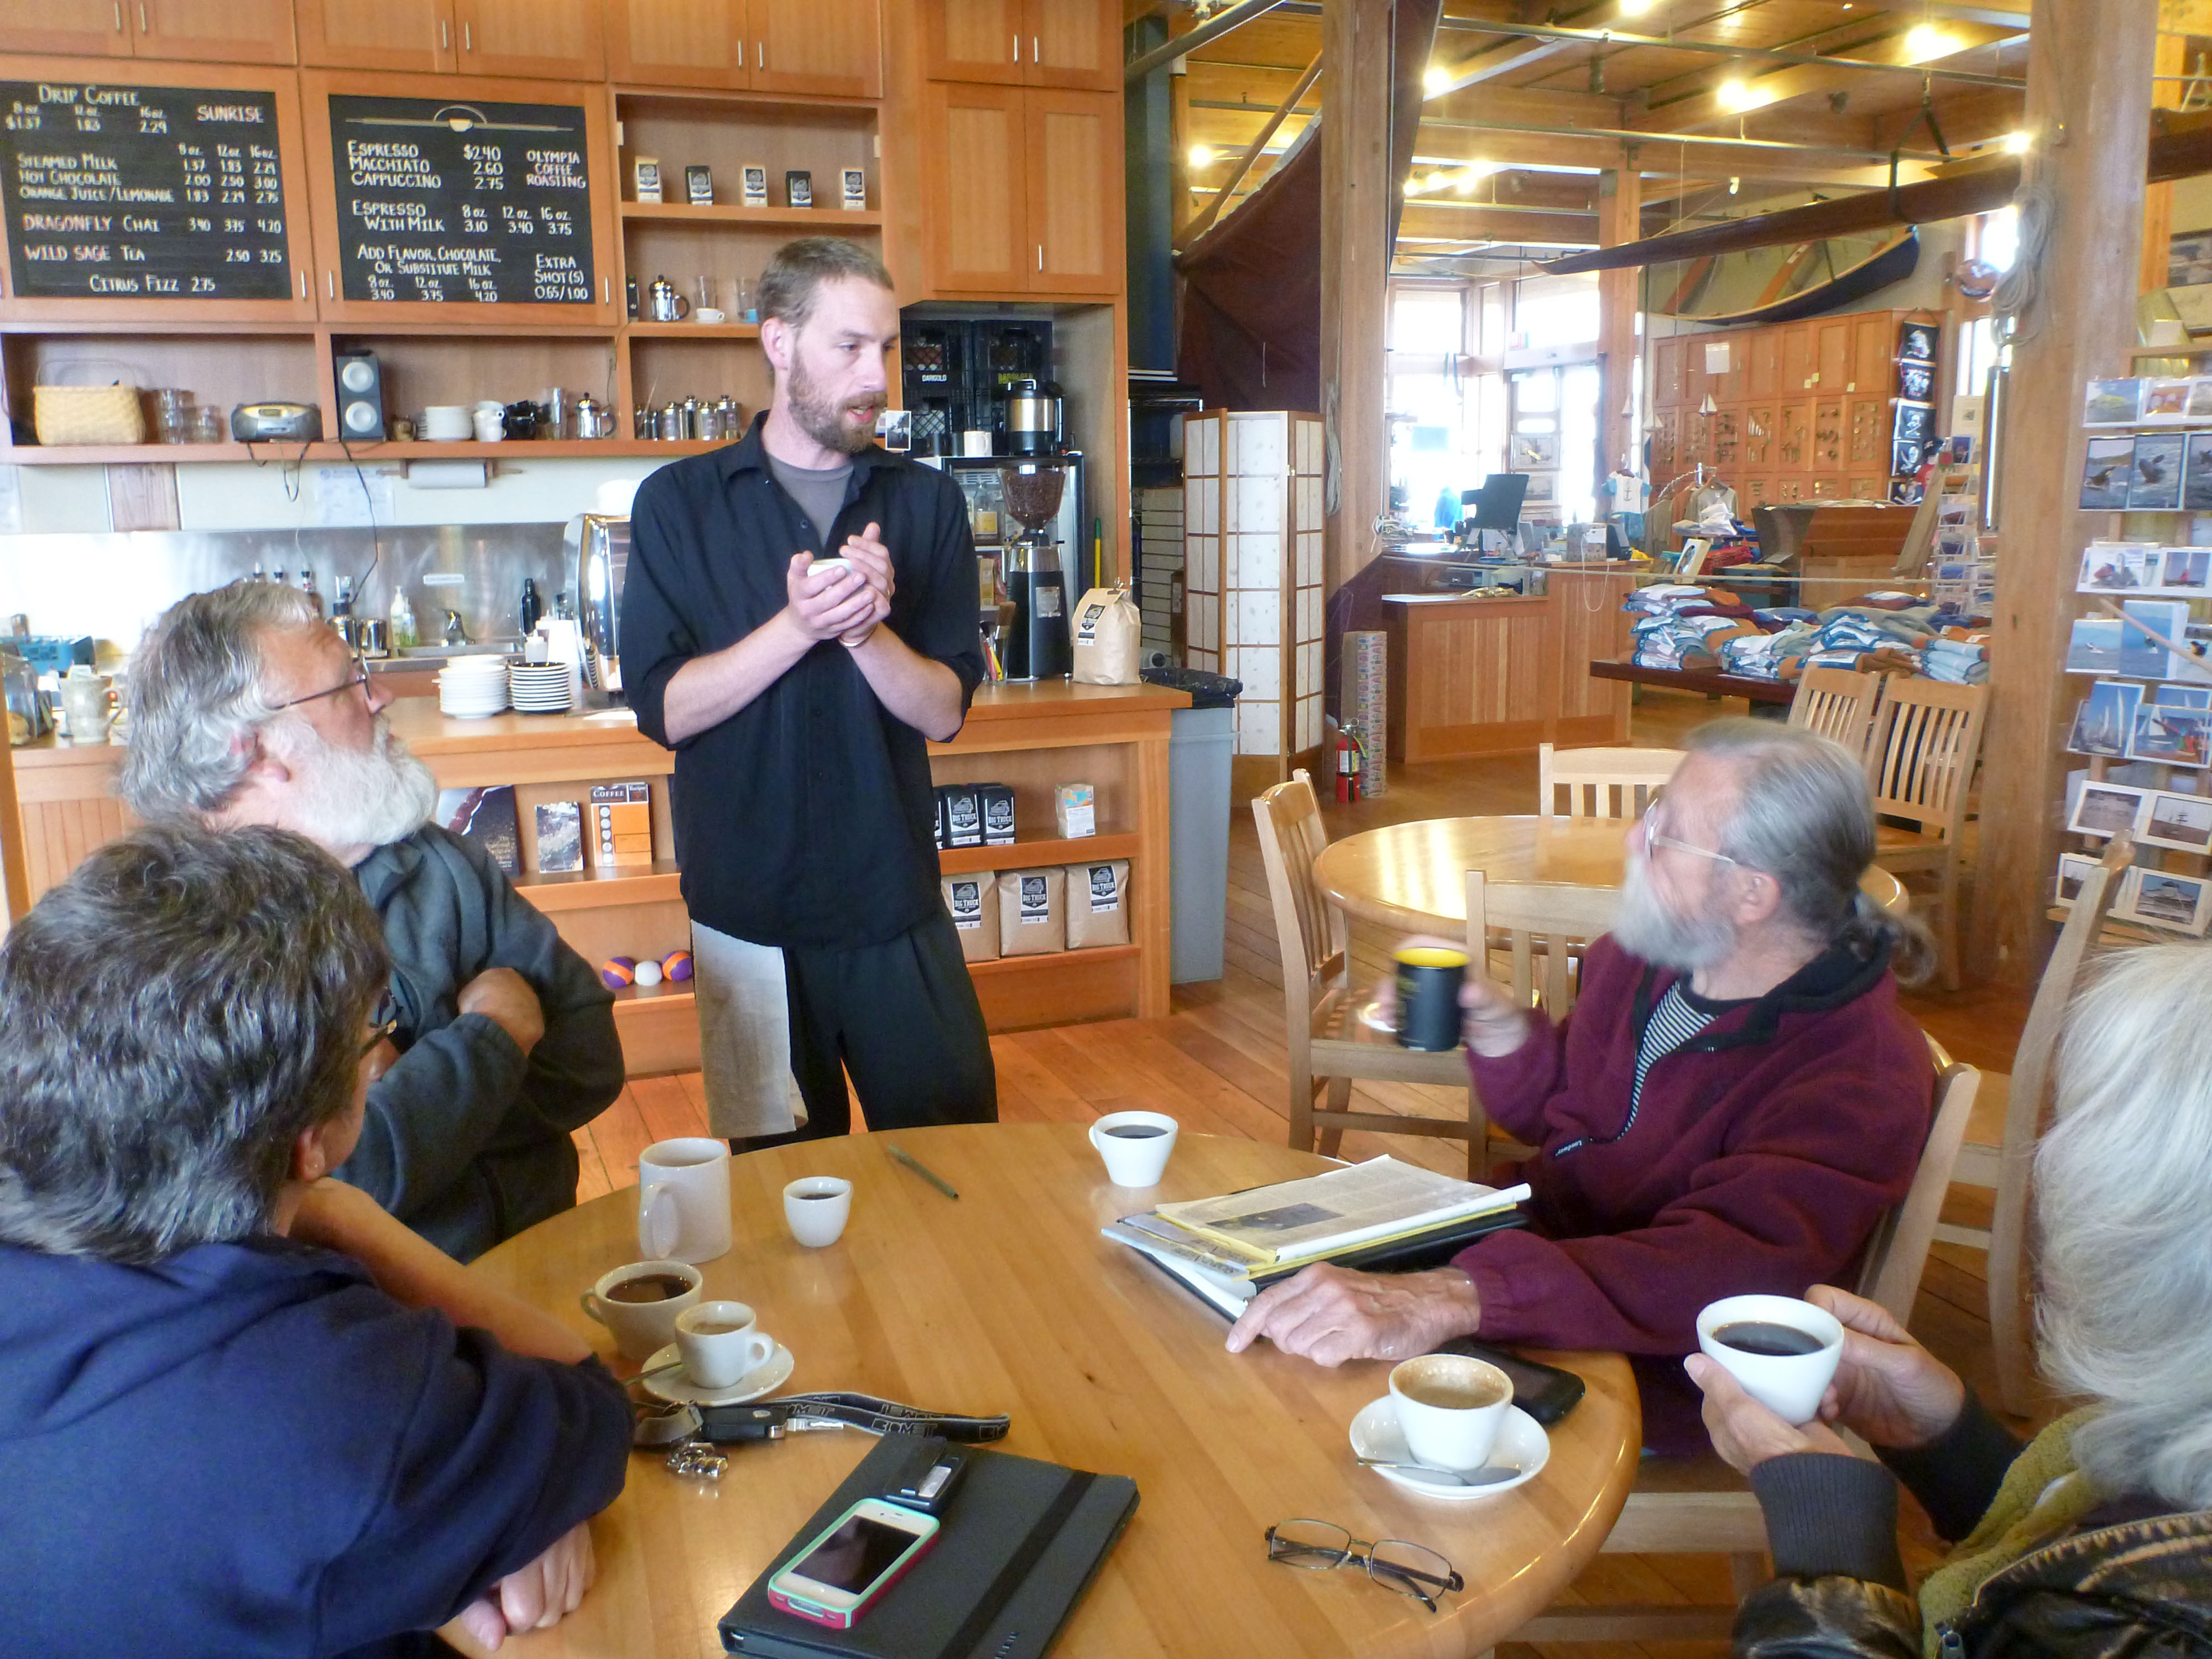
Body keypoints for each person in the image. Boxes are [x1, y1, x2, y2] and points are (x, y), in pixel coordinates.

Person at [0, 824, 631, 1657]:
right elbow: (585, 1411)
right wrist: (343, 1213)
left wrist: (431, 1552)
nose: (380, 1060)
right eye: (373, 1037)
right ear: (313, 1139)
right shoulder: (337, 1393)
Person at [1225, 719, 1937, 1450]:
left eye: (1666, 832)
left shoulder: (1858, 1075)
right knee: (1257, 1300)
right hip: (1536, 1263)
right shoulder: (1649, 956)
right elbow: (1568, 1114)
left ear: (1753, 893)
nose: (1636, 840)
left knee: (1316, 1403)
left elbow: (1718, 1271)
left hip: (1662, 1363)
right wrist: (1503, 1031)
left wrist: (1456, 1294)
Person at [1687, 942, 2212, 1659]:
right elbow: (2086, 1549)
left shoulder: (2150, 1630)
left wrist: (1829, 1536)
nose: (2051, 1162)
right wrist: (1949, 1441)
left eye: (2083, 1125)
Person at [120, 582, 624, 1261]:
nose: (379, 696)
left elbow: (590, 1059)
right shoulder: (177, 943)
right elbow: (340, 1191)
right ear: (257, 751)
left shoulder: (433, 861)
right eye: (347, 684)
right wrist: (494, 1036)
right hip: (372, 1326)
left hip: (543, 1258)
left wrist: (402, 1092)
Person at [621, 236, 996, 1148]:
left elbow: (943, 712)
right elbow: (667, 710)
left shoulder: (927, 504)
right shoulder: (680, 503)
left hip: (893, 903)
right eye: (850, 348)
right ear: (778, 343)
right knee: (773, 1192)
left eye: (887, 350)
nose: (878, 377)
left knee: (964, 1167)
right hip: (745, 921)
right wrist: (799, 627)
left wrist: (867, 631)